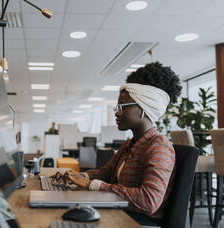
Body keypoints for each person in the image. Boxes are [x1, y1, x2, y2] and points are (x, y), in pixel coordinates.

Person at [52, 62, 182, 218]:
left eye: (122, 107)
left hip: (135, 224)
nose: (117, 113)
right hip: (119, 212)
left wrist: (91, 185)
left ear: (142, 109)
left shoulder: (159, 147)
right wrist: (78, 176)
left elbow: (149, 200)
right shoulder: (131, 143)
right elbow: (106, 173)